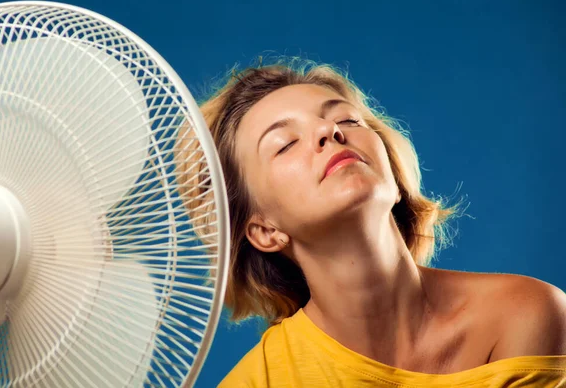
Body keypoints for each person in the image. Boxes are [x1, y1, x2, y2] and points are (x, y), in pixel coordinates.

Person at [186, 59, 566, 387]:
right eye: (285, 143)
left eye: (346, 119)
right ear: (265, 231)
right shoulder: (257, 382)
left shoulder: (526, 316)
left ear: (391, 170)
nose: (328, 132)